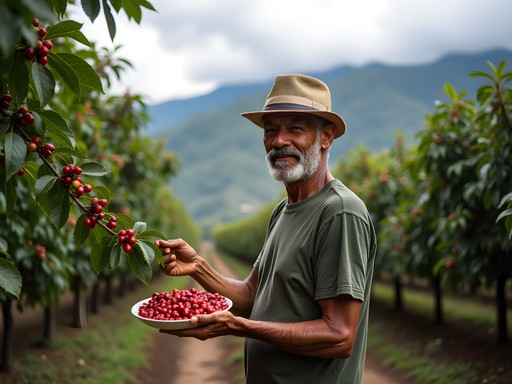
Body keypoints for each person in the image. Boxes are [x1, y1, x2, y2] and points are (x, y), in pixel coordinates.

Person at [155, 74, 377, 384]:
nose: (278, 141)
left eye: (295, 129)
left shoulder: (339, 212)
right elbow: (252, 296)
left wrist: (239, 327)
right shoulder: (282, 212)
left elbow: (339, 336)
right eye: (270, 130)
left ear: (326, 136)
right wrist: (199, 267)